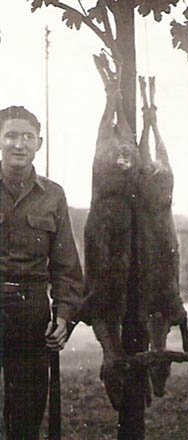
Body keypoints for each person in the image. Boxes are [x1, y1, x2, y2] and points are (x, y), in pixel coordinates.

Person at [0, 105, 83, 439]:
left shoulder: (53, 195)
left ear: (39, 143)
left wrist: (62, 317)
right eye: (11, 136)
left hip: (31, 313)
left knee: (27, 413)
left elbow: (67, 267)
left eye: (27, 137)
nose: (19, 144)